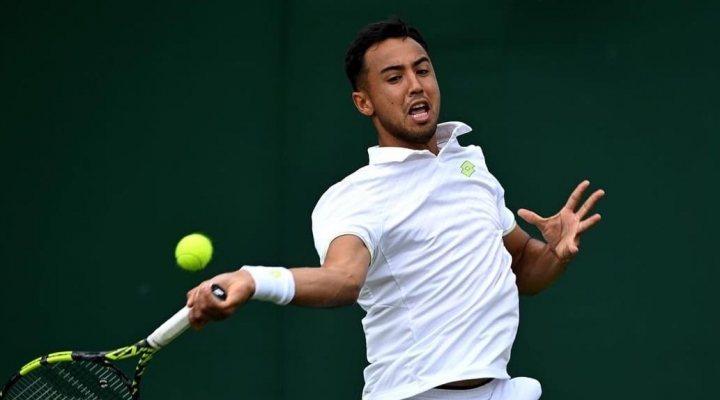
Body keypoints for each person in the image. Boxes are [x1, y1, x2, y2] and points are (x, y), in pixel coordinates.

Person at [186, 16, 604, 400]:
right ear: (364, 102)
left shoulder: (470, 165)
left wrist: (554, 252)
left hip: (496, 389)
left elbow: (523, 267)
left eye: (422, 70)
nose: (415, 84)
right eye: (394, 77)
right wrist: (253, 279)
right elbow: (343, 279)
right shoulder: (356, 196)